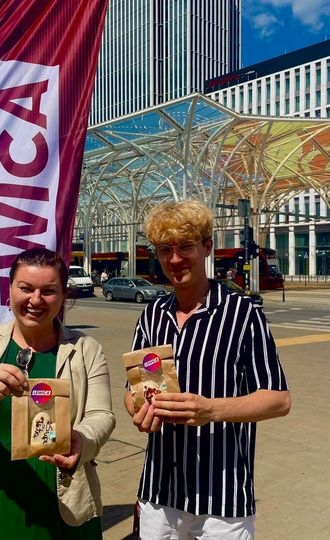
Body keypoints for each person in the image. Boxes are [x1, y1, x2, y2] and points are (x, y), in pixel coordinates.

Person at [124, 199, 291, 539]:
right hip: (160, 492)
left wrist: (211, 410)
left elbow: (279, 400)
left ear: (207, 247)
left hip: (222, 497)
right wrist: (138, 411)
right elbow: (133, 391)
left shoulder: (242, 314)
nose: (175, 259)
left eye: (185, 246)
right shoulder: (152, 315)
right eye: (165, 249)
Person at [0, 248, 116, 538]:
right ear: (9, 291)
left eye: (49, 291)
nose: (35, 300)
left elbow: (101, 414)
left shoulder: (85, 350)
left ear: (64, 297)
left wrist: (83, 440)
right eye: (26, 288)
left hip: (63, 496)